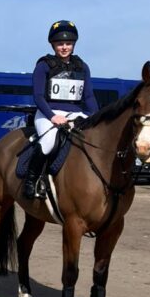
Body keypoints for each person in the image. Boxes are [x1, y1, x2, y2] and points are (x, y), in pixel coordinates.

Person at [25, 19, 99, 199]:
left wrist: (95, 117)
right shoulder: (43, 66)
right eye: (60, 44)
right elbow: (38, 96)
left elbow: (88, 96)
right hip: (48, 113)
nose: (64, 47)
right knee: (49, 141)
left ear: (73, 45)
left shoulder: (82, 67)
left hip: (75, 113)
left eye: (68, 43)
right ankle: (31, 180)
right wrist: (52, 117)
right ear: (53, 45)